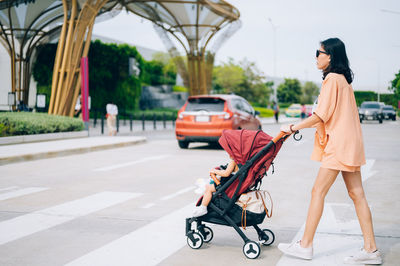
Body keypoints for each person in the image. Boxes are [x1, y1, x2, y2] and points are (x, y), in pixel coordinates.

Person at [277, 38, 382, 265]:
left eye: (319, 52)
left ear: (330, 56)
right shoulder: (343, 80)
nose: (316, 56)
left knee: (318, 191)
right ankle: (371, 250)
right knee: (357, 194)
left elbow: (320, 116)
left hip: (339, 145)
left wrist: (292, 127)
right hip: (350, 143)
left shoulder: (332, 79)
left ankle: (305, 245)